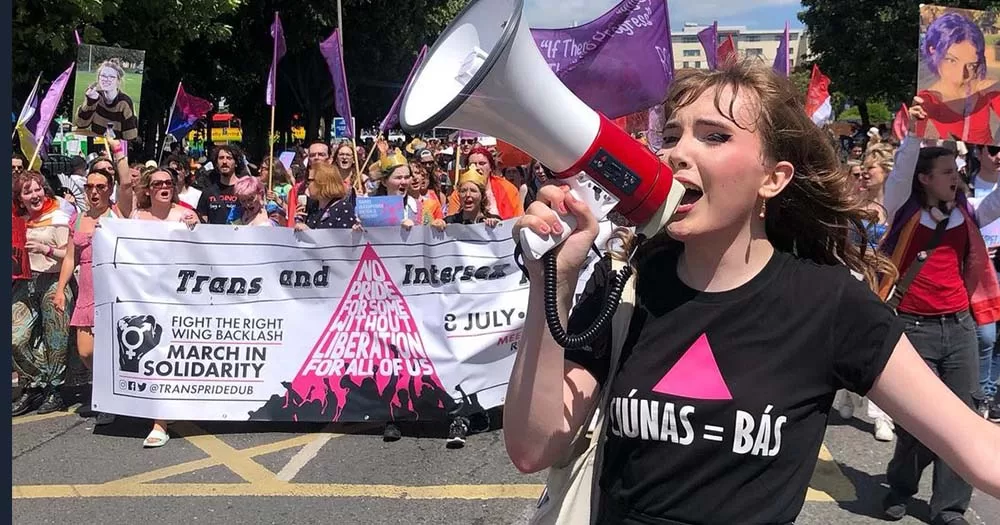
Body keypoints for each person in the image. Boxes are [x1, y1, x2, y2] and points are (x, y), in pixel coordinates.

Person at [504, 60, 1000, 524]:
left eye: (715, 136)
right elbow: (533, 447)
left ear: (772, 178)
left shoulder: (829, 304)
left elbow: (977, 448)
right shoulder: (626, 284)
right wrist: (554, 278)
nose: (676, 152)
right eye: (671, 135)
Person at [877, 96, 1000, 524]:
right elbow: (898, 175)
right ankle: (900, 485)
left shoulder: (965, 212)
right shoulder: (904, 209)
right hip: (913, 329)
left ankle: (949, 508)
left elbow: (993, 206)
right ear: (925, 179)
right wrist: (913, 133)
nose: (956, 178)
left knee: (963, 419)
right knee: (919, 422)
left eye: (956, 171)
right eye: (947, 173)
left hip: (959, 328)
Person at [130, 166, 199, 447]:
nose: (163, 186)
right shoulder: (136, 217)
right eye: (157, 183)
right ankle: (159, 418)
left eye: (169, 182)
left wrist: (198, 225)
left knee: (173, 353)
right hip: (144, 295)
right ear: (147, 188)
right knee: (152, 353)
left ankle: (163, 418)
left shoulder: (185, 215)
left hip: (179, 298)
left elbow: (206, 253)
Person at [53, 166, 122, 425]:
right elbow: (71, 257)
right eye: (89, 187)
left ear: (109, 189)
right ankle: (108, 383)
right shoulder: (79, 219)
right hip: (87, 291)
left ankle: (109, 397)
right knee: (86, 351)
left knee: (112, 348)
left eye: (100, 187)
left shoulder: (118, 215)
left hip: (113, 291)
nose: (94, 192)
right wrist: (60, 289)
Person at [12, 171, 75, 416]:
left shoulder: (59, 214)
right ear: (19, 198)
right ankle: (35, 382)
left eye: (37, 189)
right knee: (15, 337)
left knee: (55, 338)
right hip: (26, 282)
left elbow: (69, 254)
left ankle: (55, 391)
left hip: (55, 280)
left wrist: (44, 248)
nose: (34, 195)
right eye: (27, 191)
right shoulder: (17, 219)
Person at [917, 12, 1000, 145]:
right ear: (933, 51)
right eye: (951, 60)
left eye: (971, 65)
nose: (961, 75)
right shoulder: (927, 100)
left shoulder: (985, 89)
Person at [968, 144, 1000, 422]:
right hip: (978, 272)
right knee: (985, 336)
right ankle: (979, 392)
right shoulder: (963, 187)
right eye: (993, 149)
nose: (999, 155)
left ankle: (992, 392)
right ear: (979, 153)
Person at [446, 145, 523, 219]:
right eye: (472, 164)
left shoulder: (508, 189)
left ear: (491, 167)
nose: (478, 168)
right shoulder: (459, 194)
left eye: (482, 163)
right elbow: (451, 224)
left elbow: (517, 219)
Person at [73, 58, 139, 140]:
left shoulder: (124, 102)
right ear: (98, 78)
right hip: (95, 144)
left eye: (111, 77)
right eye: (103, 76)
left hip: (115, 147)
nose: (106, 79)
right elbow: (81, 124)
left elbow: (130, 137)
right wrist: (91, 102)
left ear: (118, 81)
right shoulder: (95, 95)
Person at [295, 162, 356, 231]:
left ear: (322, 182)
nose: (307, 185)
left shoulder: (343, 207)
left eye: (310, 181)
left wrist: (309, 232)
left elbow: (343, 238)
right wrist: (299, 221)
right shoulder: (313, 206)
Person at [197, 145, 243, 224]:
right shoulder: (208, 192)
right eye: (221, 158)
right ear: (216, 163)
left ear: (236, 163)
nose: (224, 162)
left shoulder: (245, 190)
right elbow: (202, 222)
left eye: (229, 158)